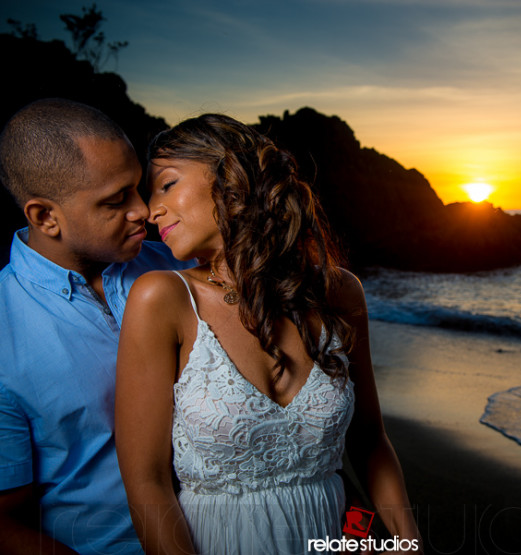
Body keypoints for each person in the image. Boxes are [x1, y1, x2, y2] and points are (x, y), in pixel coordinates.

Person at [115, 114, 423, 554]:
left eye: (165, 184)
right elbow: (148, 482)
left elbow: (370, 442)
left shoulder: (340, 293)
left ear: (231, 176)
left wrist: (408, 547)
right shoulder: (162, 299)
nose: (150, 210)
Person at [0, 98, 192, 555]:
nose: (145, 210)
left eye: (139, 188)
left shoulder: (181, 263)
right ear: (45, 217)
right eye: (116, 200)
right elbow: (5, 522)